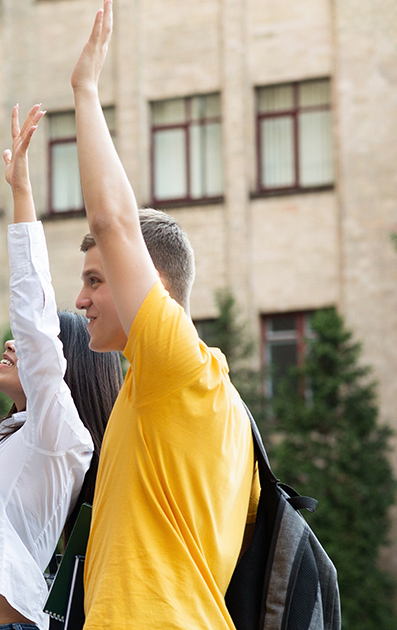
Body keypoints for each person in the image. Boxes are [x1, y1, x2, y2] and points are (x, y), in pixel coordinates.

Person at [69, 3, 259, 628]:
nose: (81, 301)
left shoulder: (179, 370)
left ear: (149, 285)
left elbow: (113, 222)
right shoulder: (181, 399)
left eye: (97, 280)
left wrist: (86, 90)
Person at [0, 105, 123, 630]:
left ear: (63, 370)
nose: (12, 344)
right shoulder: (2, 445)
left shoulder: (59, 437)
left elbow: (37, 327)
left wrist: (21, 195)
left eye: (29, 343)